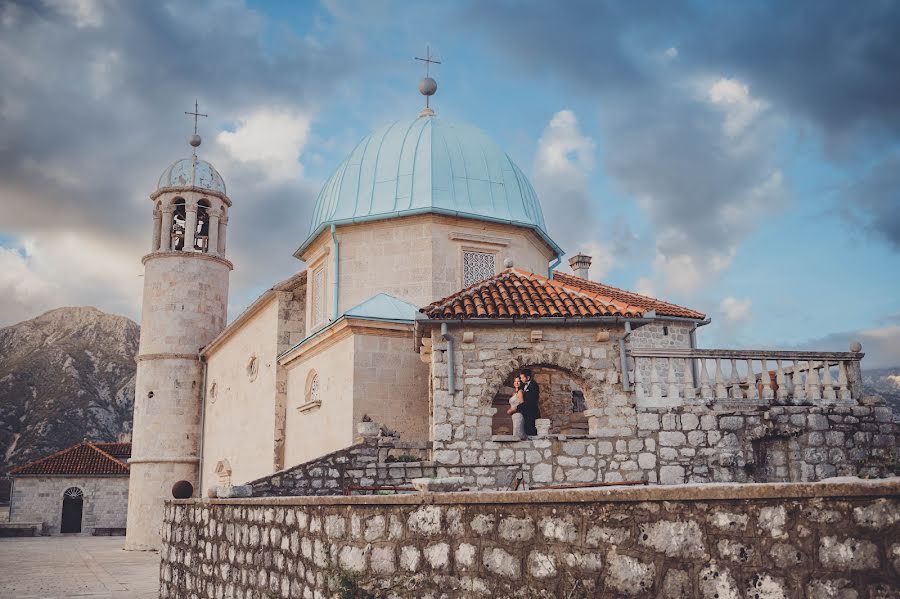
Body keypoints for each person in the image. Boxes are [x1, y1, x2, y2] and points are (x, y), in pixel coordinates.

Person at [517, 369, 541, 436]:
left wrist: (517, 408)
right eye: (520, 378)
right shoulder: (523, 386)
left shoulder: (534, 385)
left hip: (531, 413)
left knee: (531, 432)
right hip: (525, 413)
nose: (521, 379)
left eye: (522, 377)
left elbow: (531, 401)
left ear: (528, 377)